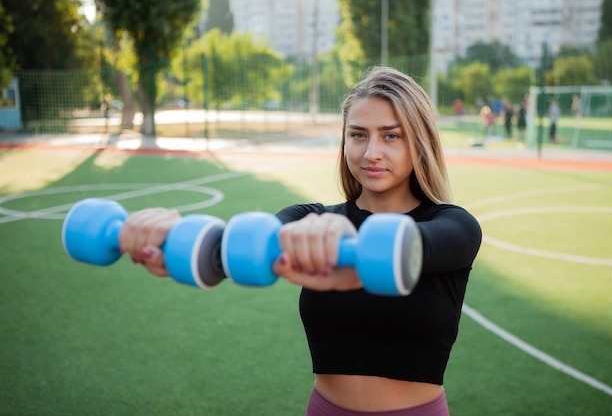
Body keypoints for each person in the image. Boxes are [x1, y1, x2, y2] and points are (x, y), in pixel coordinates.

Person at [118, 67, 483, 416]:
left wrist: (346, 248)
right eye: (358, 134)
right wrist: (175, 238)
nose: (372, 152)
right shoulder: (306, 218)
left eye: (391, 135)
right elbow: (240, 247)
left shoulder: (453, 226)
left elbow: (411, 245)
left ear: (419, 143)